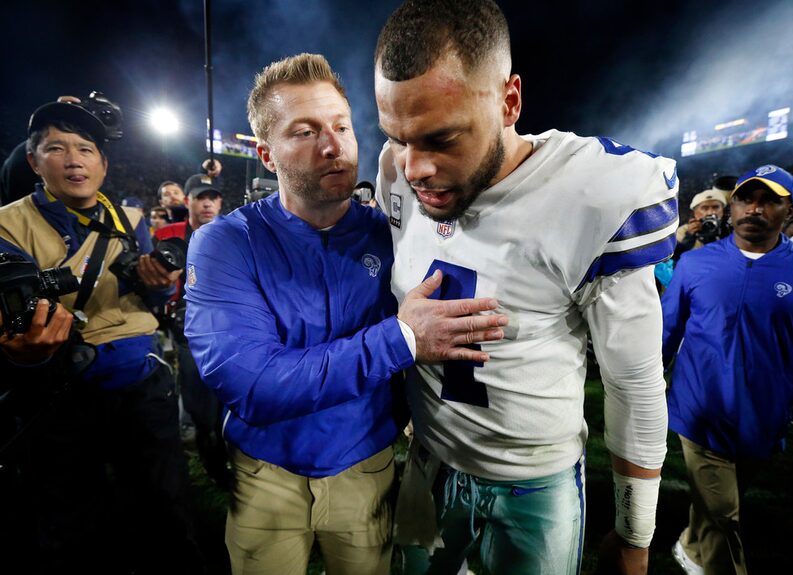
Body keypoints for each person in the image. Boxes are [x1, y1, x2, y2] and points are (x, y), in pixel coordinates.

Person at [373, 1, 678, 573]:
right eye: (397, 136)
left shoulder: (590, 193)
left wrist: (635, 533)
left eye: (441, 139)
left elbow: (634, 382)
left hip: (534, 485)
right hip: (428, 462)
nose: (414, 166)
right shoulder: (396, 169)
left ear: (509, 101)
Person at [184, 53, 508, 575]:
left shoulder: (391, 234)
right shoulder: (224, 242)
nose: (334, 146)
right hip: (267, 471)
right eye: (305, 132)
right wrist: (401, 339)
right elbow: (252, 384)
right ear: (267, 155)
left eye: (341, 126)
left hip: (367, 465)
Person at [0, 100, 202, 574]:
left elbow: (152, 303)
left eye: (86, 149)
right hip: (61, 387)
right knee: (67, 514)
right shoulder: (8, 223)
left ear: (103, 163)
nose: (74, 160)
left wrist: (159, 285)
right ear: (32, 161)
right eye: (57, 148)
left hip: (141, 381)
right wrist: (25, 356)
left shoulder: (130, 219)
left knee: (166, 504)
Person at [662, 164, 793, 575]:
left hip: (764, 418)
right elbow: (665, 332)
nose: (755, 209)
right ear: (732, 204)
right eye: (746, 198)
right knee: (724, 515)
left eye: (770, 200)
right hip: (699, 410)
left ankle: (690, 544)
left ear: (790, 209)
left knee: (720, 503)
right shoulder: (695, 265)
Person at [155, 173, 229, 486]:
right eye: (200, 197)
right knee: (201, 408)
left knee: (231, 403)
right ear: (188, 202)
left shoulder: (234, 232)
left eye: (212, 197)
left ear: (221, 202)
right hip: (188, 330)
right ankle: (214, 467)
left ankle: (234, 461)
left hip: (229, 329)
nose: (207, 203)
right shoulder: (168, 234)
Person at [674, 187, 729, 260]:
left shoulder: (731, 229)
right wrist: (689, 237)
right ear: (695, 213)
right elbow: (675, 259)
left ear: (723, 210)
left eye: (716, 207)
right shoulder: (683, 231)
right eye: (705, 208)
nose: (711, 212)